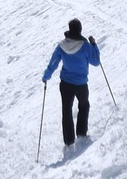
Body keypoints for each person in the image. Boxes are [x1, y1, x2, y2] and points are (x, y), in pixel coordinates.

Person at [41, 19, 100, 151]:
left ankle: (68, 142)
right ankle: (81, 134)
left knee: (66, 110)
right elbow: (96, 62)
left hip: (66, 83)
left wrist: (46, 76)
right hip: (81, 84)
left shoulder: (61, 46)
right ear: (80, 30)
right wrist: (94, 45)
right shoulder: (85, 46)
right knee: (84, 106)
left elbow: (53, 63)